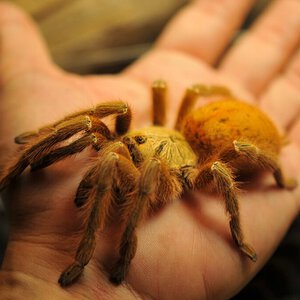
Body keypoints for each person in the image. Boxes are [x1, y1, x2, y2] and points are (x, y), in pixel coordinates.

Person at [0, 0, 299, 299]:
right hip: (202, 128)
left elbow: (208, 165)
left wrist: (242, 230)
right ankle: (16, 166)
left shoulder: (198, 168)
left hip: (220, 143)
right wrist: (43, 136)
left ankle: (105, 251)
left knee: (205, 162)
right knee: (98, 121)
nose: (122, 147)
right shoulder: (124, 138)